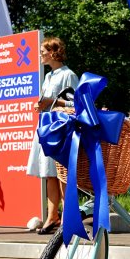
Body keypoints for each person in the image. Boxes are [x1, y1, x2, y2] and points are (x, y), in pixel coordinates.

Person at [26, 37, 79, 235]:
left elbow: (79, 104)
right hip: (47, 127)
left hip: (62, 129)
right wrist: (41, 104)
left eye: (43, 51)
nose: (40, 55)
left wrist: (52, 102)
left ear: (54, 52)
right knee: (49, 173)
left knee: (62, 174)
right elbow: (49, 101)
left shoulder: (69, 75)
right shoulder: (48, 77)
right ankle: (52, 216)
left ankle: (67, 216)